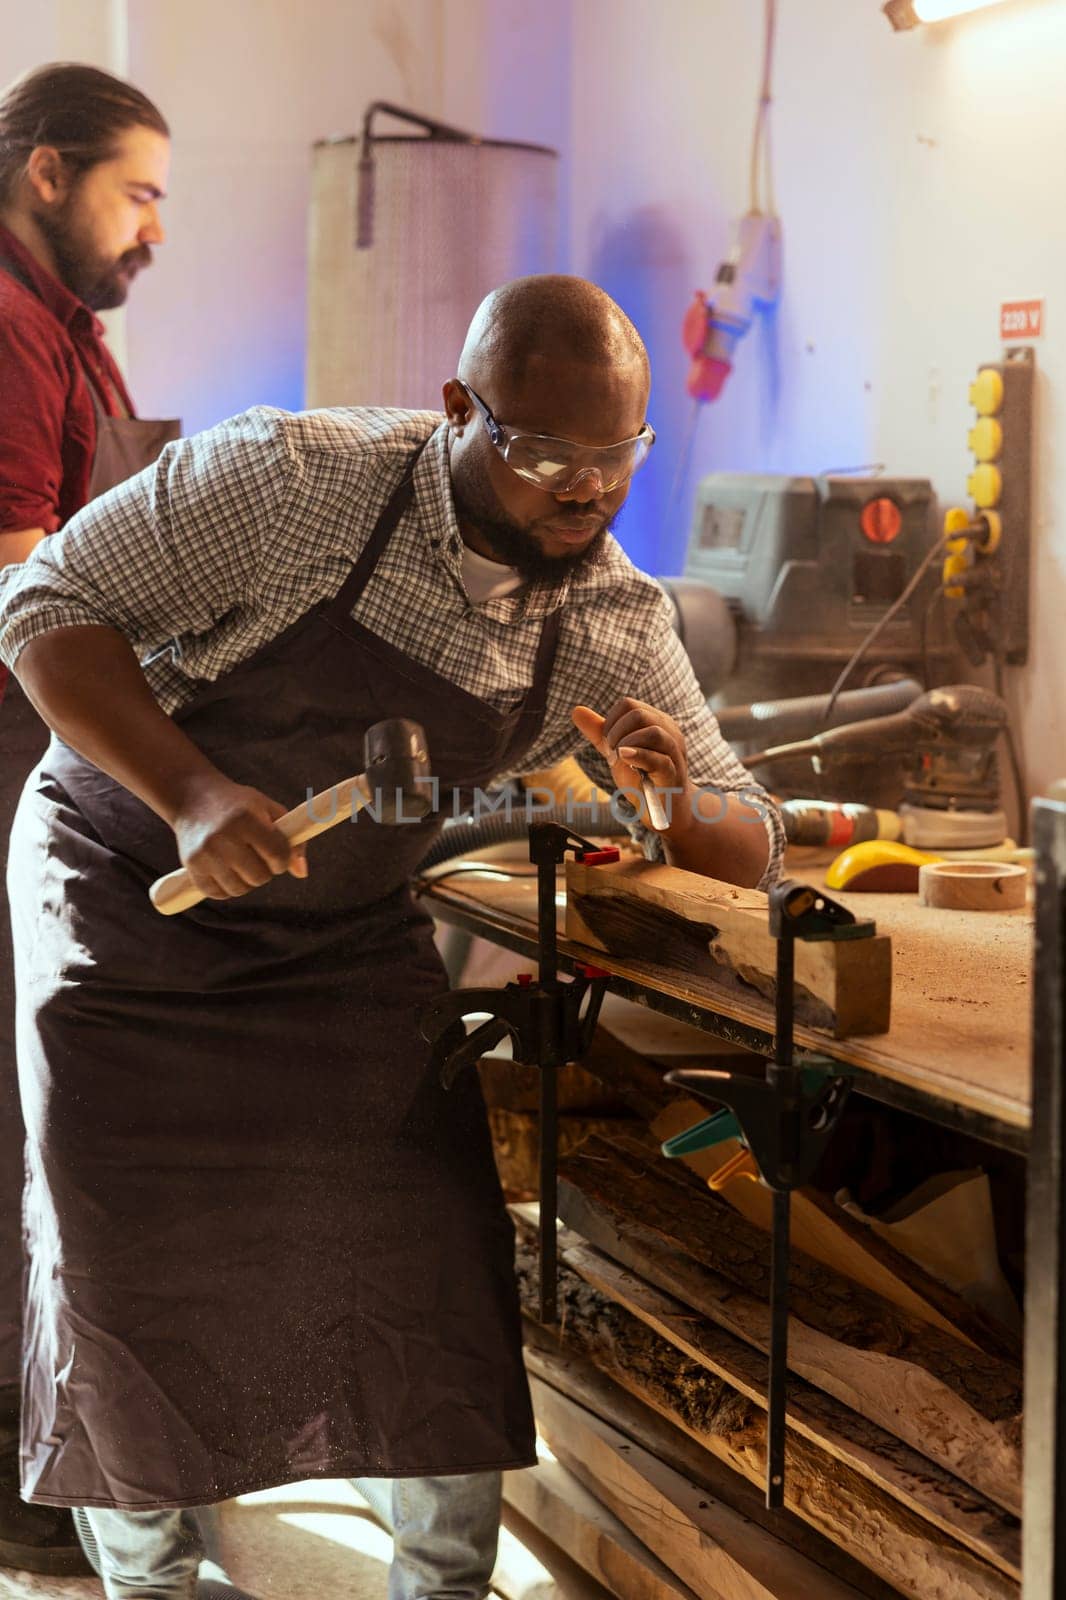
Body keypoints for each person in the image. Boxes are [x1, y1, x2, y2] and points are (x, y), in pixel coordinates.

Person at [0, 274, 783, 1599]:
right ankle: (152, 1585)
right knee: (129, 1268)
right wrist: (192, 794)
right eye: (542, 456)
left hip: (339, 939)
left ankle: (442, 1586)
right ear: (458, 409)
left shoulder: (606, 616)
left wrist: (679, 807)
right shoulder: (291, 480)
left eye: (613, 460)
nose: (581, 494)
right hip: (130, 895)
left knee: (424, 1261)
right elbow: (44, 608)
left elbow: (746, 832)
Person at [0, 61, 178, 1576]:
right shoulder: (3, 325)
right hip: (14, 747)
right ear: (47, 174)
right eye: (139, 192)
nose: (154, 230)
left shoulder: (71, 336)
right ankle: (29, 1471)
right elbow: (22, 580)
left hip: (53, 752)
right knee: (25, 1116)